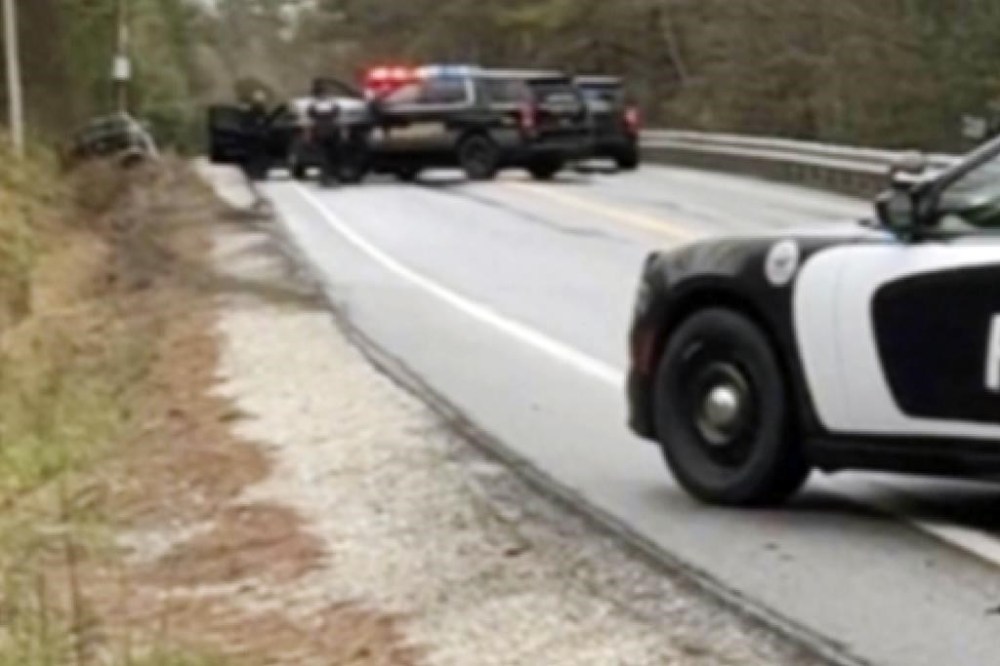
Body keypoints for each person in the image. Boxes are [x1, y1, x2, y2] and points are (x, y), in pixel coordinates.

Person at [308, 79, 342, 186]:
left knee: (324, 156)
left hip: (321, 132)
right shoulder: (330, 104)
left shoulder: (315, 105)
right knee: (329, 156)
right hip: (329, 132)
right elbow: (336, 111)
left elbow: (311, 114)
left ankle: (325, 177)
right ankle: (328, 177)